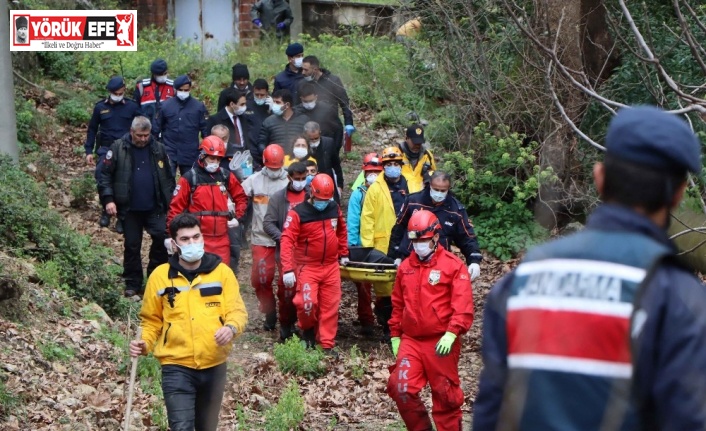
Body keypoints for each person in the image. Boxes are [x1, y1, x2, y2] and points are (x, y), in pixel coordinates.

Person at [473, 106, 706, 431]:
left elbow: (490, 415)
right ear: (679, 194)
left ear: (599, 177)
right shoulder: (680, 298)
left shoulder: (522, 280)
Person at [129, 213, 247, 431]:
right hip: (176, 366)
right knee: (181, 427)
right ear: (174, 244)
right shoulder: (159, 277)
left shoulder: (222, 273)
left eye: (196, 237)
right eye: (185, 239)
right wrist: (144, 344)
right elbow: (151, 321)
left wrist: (231, 328)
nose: (192, 243)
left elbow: (237, 311)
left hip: (215, 365)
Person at [386, 209, 474, 431]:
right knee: (400, 387)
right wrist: (395, 335)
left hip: (441, 341)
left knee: (446, 395)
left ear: (435, 237)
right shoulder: (406, 267)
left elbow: (463, 307)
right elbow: (397, 304)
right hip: (412, 340)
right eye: (414, 241)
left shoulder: (453, 266)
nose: (418, 245)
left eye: (423, 240)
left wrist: (452, 333)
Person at [99, 116, 175, 297]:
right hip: (130, 208)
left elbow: (168, 178)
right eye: (139, 135)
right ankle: (133, 282)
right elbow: (105, 176)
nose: (143, 139)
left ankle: (155, 277)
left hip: (155, 207)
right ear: (132, 132)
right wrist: (109, 199)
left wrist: (170, 201)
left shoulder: (158, 149)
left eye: (146, 135)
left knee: (161, 241)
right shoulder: (118, 148)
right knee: (132, 245)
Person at [280, 174, 349, 352]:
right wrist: (288, 269)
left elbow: (341, 230)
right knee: (306, 303)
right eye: (320, 199)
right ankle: (307, 329)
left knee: (330, 306)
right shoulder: (298, 213)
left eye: (326, 199)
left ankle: (326, 344)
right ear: (312, 193)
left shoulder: (333, 207)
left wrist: (344, 252)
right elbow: (287, 240)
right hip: (307, 266)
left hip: (331, 265)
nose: (323, 202)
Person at [167, 135, 247, 272]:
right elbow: (175, 208)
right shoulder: (190, 178)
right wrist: (170, 235)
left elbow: (241, 197)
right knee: (198, 275)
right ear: (203, 155)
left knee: (221, 274)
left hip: (222, 238)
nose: (215, 162)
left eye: (218, 159)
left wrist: (237, 217)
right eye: (212, 158)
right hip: (198, 239)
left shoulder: (225, 176)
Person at [389, 171, 483, 281]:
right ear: (429, 185)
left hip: (439, 263)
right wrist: (394, 256)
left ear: (448, 189)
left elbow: (466, 237)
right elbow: (399, 228)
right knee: (408, 293)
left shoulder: (455, 210)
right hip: (410, 258)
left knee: (434, 295)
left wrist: (474, 260)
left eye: (443, 191)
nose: (439, 193)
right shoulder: (412, 202)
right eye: (436, 189)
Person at [360, 146, 409, 338]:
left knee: (405, 286)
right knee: (386, 289)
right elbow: (367, 219)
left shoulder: (410, 186)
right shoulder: (375, 189)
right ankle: (388, 326)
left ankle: (401, 323)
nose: (393, 167)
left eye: (396, 164)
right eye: (389, 164)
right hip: (382, 245)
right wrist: (368, 248)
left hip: (406, 243)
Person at [241, 144, 290, 330]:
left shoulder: (289, 181)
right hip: (262, 238)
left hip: (285, 238)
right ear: (264, 163)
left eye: (277, 168)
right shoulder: (254, 180)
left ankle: (286, 319)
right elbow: (238, 195)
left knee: (287, 282)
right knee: (260, 279)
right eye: (271, 168)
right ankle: (269, 310)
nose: (274, 172)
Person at [85, 76, 141, 232]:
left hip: (126, 149)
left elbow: (141, 126)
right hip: (106, 149)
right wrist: (89, 150)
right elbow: (92, 129)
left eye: (120, 92)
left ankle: (122, 217)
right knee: (101, 176)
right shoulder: (100, 107)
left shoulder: (132, 107)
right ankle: (106, 209)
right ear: (110, 92)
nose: (118, 95)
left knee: (125, 181)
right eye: (115, 93)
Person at [262, 161, 309, 341]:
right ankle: (286, 325)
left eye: (304, 178)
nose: (300, 182)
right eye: (297, 179)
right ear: (289, 178)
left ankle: (305, 327)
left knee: (305, 290)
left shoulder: (311, 195)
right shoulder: (278, 198)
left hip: (307, 251)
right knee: (286, 291)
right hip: (286, 252)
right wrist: (283, 237)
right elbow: (268, 223)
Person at [347, 153, 384, 336]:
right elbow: (353, 221)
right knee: (363, 286)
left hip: (383, 244)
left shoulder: (387, 193)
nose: (373, 175)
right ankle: (366, 320)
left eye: (377, 172)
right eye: (370, 172)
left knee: (385, 284)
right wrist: (353, 246)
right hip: (363, 246)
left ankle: (384, 315)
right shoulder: (358, 195)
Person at [154, 74, 210, 176]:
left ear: (190, 89)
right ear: (175, 89)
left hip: (190, 152)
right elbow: (156, 128)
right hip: (169, 150)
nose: (183, 92)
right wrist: (156, 147)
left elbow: (205, 130)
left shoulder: (198, 107)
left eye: (186, 90)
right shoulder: (165, 106)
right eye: (181, 90)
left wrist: (206, 151)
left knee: (190, 181)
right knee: (167, 180)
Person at [300, 55, 354, 150]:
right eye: (302, 69)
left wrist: (348, 122)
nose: (303, 72)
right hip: (310, 130)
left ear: (315, 69)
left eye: (306, 70)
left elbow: (344, 102)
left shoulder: (332, 81)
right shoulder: (303, 83)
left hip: (330, 126)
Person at [206, 88, 249, 172]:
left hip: (244, 160)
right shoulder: (215, 120)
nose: (244, 107)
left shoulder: (244, 118)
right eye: (242, 104)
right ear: (232, 104)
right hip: (224, 163)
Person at [257, 89, 309, 155]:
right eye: (274, 102)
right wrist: (267, 152)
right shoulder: (268, 121)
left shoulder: (303, 120)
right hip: (276, 162)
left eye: (278, 102)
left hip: (298, 161)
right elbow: (261, 143)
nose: (274, 105)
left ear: (287, 105)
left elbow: (310, 141)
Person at [294, 83, 343, 151]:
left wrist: (335, 148)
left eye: (311, 101)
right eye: (305, 101)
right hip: (304, 148)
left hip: (324, 147)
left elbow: (338, 130)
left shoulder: (327, 109)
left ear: (316, 97)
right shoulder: (296, 112)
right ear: (301, 98)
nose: (308, 104)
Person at [304, 121, 343, 202]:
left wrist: (340, 185)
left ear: (320, 133)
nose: (314, 141)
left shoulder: (329, 143)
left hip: (327, 180)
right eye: (311, 139)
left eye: (316, 138)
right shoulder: (301, 145)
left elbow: (336, 165)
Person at [133, 58, 174, 125]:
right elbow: (135, 108)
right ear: (153, 74)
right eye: (159, 75)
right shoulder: (142, 86)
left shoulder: (173, 86)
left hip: (167, 127)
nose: (162, 76)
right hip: (146, 128)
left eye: (165, 73)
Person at [399, 124, 436, 193]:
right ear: (406, 138)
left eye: (419, 142)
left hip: (421, 198)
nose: (417, 145)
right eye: (414, 142)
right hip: (402, 195)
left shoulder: (427, 155)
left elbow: (434, 174)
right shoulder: (397, 154)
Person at [246, 79, 272, 171]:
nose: (259, 97)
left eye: (262, 95)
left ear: (267, 93)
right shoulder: (247, 106)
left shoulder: (272, 106)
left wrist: (274, 110)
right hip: (251, 150)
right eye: (257, 95)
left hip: (269, 149)